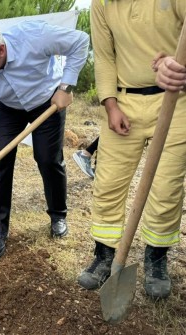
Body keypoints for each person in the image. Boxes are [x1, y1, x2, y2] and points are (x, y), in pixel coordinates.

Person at [77, 0, 186, 299]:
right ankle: (104, 254)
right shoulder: (101, 4)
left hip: (175, 101)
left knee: (166, 187)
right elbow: (103, 56)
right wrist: (110, 104)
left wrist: (178, 67)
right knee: (108, 183)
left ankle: (156, 258)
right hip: (124, 102)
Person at [0, 20, 89, 258]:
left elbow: (80, 41)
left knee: (48, 159)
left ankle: (58, 214)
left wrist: (66, 87)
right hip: (7, 108)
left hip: (47, 100)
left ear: (1, 50)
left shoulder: (33, 36)